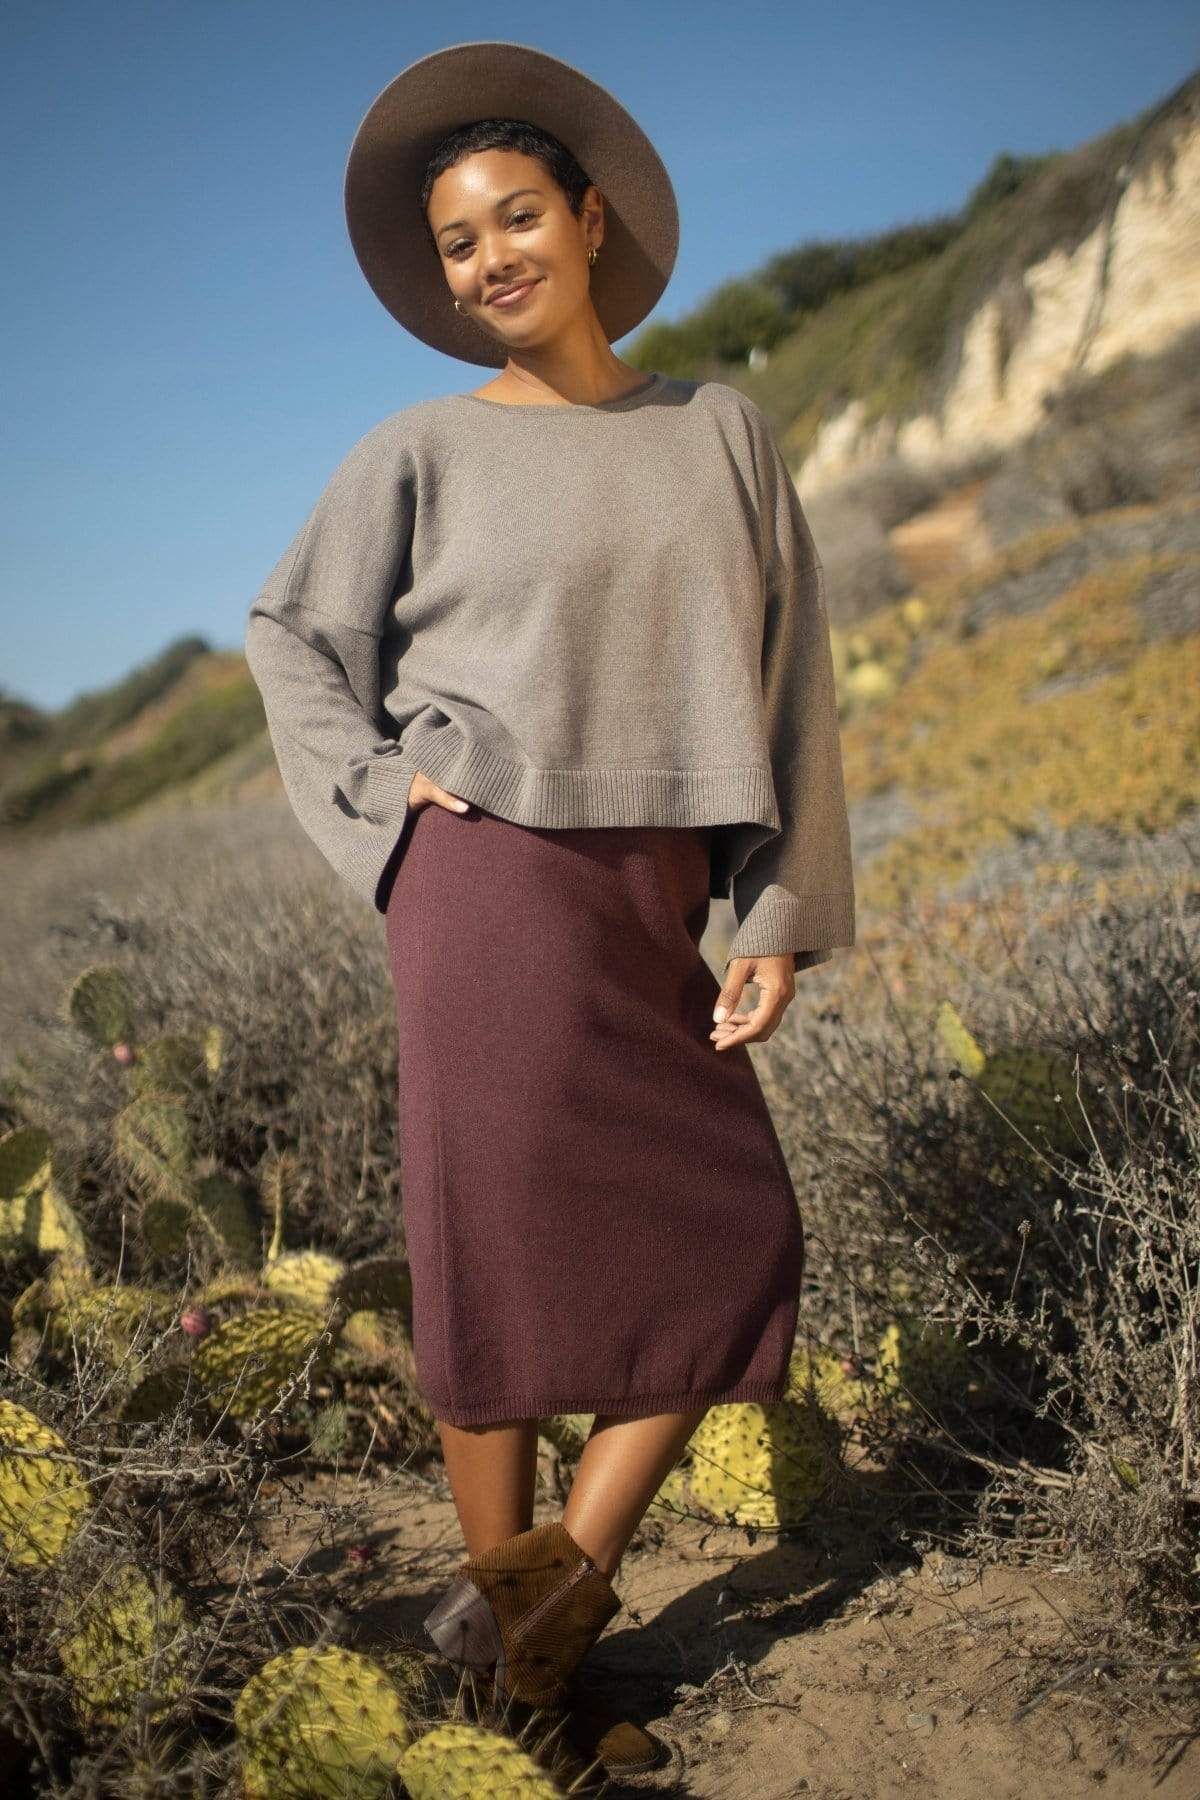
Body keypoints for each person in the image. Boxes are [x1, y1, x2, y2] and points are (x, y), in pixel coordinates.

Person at [243, 40, 856, 1779]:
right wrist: (383, 797)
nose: (491, 256)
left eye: (518, 216)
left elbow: (793, 685)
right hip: (487, 883)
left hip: (660, 895)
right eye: (458, 242)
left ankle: (518, 1633)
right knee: (499, 1276)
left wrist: (774, 909)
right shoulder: (419, 449)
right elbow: (289, 636)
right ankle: (535, 1690)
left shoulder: (718, 429)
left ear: (590, 222)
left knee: (736, 1240)